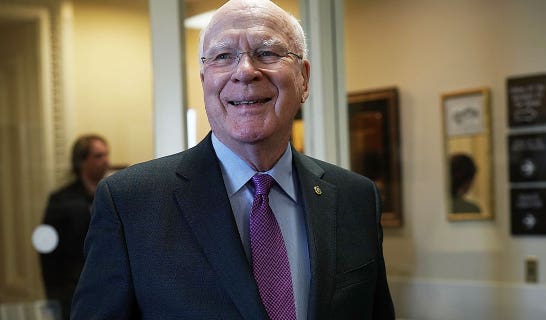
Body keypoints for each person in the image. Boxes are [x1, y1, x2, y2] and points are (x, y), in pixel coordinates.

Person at [71, 1, 395, 319]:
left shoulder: (356, 198)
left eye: (267, 53)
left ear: (303, 78)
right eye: (224, 56)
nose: (245, 72)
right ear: (204, 81)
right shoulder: (131, 204)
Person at [40, 134, 110, 320]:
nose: (106, 161)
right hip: (72, 290)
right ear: (81, 161)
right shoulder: (61, 200)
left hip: (108, 288)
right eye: (98, 156)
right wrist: (54, 296)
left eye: (106, 155)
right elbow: (48, 251)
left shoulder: (113, 195)